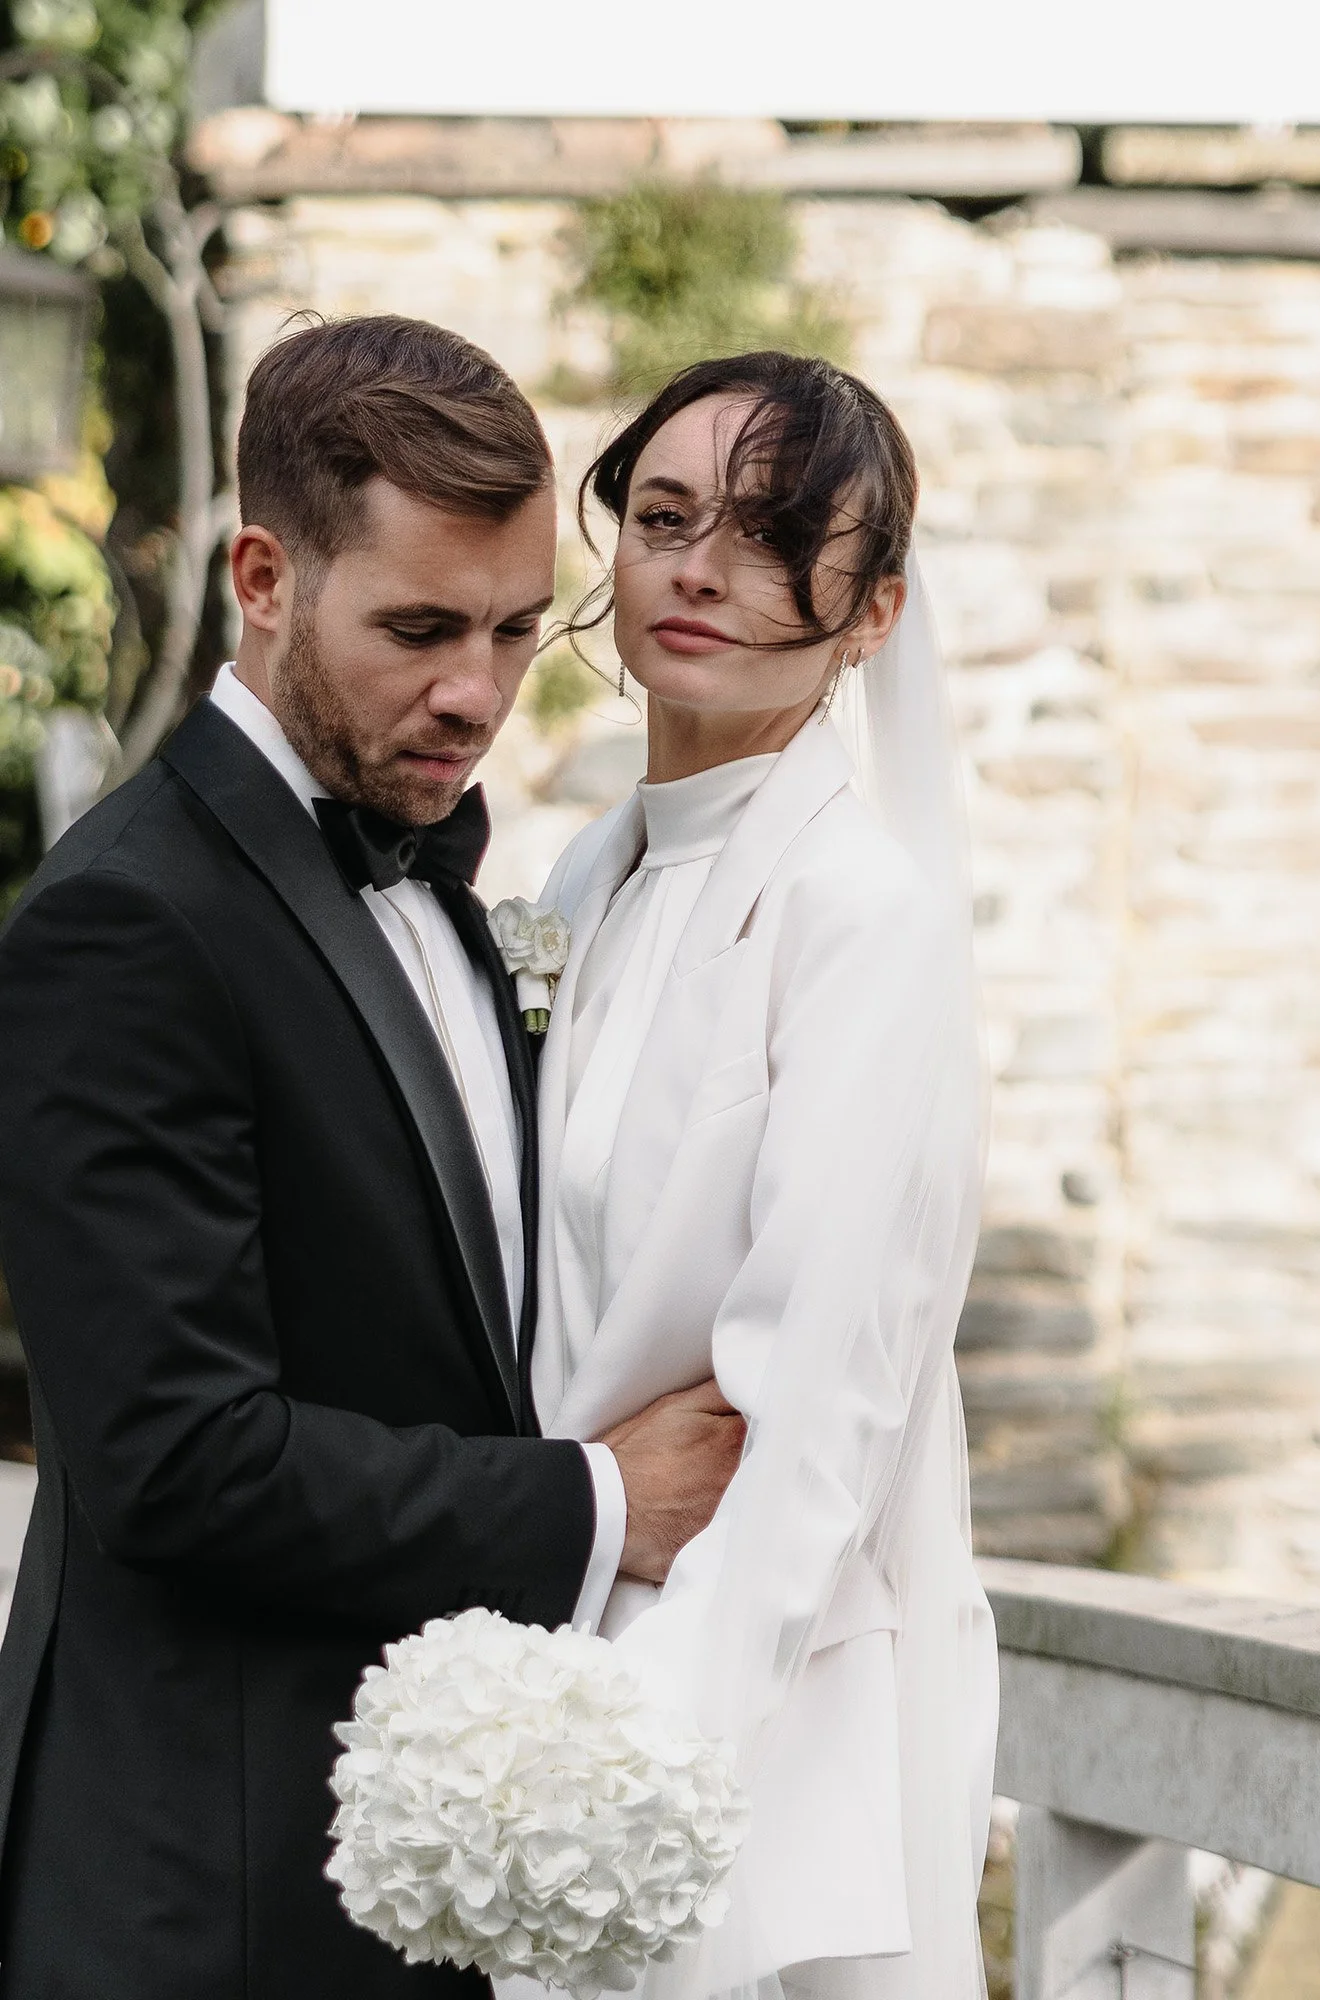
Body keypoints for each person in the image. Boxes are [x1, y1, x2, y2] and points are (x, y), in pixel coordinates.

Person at [0, 317, 744, 2000]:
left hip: (434, 1891)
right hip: (209, 1899)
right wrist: (603, 1501)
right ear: (263, 576)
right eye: (417, 629)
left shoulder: (449, 894)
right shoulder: (127, 921)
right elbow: (176, 1461)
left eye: (511, 631)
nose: (475, 695)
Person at [526, 352, 998, 2000]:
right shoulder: (579, 882)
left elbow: (826, 1407)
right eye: (663, 515)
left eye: (771, 531)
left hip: (747, 1724)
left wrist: (640, 1746)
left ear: (871, 614)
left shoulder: (860, 914)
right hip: (543, 1652)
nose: (698, 565)